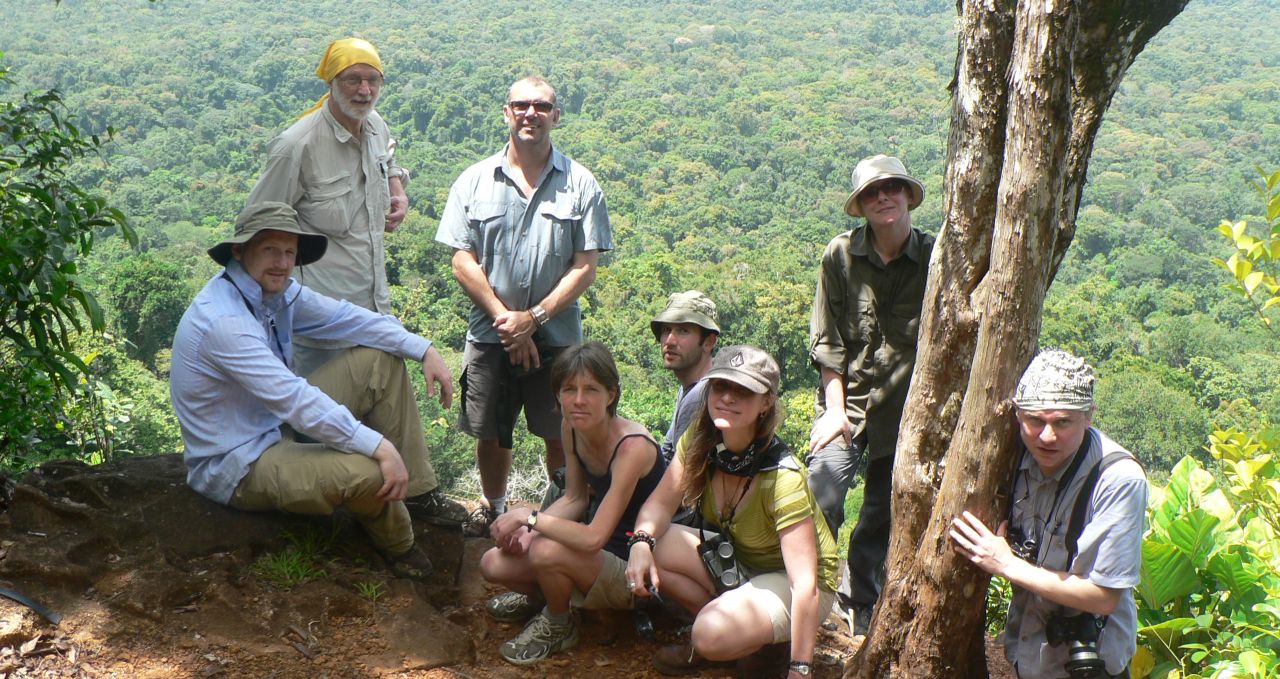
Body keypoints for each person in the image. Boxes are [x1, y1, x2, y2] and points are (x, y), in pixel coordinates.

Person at [171, 202, 453, 579]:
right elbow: (295, 399)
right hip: (241, 461)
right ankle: (401, 547)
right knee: (370, 471)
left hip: (276, 424)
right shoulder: (225, 321)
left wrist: (422, 347)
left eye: (290, 252)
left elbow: (346, 318)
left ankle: (415, 492)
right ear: (239, 251)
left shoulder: (274, 295)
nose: (282, 262)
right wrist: (381, 447)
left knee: (381, 361)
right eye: (270, 249)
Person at [434, 75, 613, 535]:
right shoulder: (474, 180)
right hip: (490, 333)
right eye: (520, 105)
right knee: (492, 429)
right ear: (506, 112)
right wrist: (507, 322)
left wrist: (533, 320)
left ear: (556, 116)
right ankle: (494, 507)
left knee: (561, 431)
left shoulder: (581, 183)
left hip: (556, 339)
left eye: (541, 106)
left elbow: (584, 266)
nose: (530, 113)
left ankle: (560, 517)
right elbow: (461, 260)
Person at [625, 346, 839, 679]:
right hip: (743, 562)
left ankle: (762, 647)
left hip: (797, 582)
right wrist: (640, 542)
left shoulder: (781, 476)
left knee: (709, 631)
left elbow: (805, 582)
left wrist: (801, 667)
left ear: (766, 401)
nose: (727, 398)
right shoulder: (700, 442)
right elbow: (659, 505)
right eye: (721, 386)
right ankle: (736, 644)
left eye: (743, 390)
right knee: (656, 540)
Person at [950, 350, 1148, 679]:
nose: (1046, 436)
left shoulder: (1118, 479)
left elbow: (1104, 597)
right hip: (1027, 654)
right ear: (1018, 416)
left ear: (1088, 417)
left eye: (1062, 422)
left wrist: (1007, 564)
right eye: (1035, 421)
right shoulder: (1011, 455)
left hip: (1090, 665)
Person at [805, 153, 934, 636]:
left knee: (882, 512)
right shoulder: (840, 256)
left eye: (893, 188)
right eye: (872, 192)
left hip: (905, 414)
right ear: (860, 205)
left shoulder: (935, 258)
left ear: (907, 197)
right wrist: (834, 411)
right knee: (823, 485)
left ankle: (862, 603)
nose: (884, 197)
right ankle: (809, 593)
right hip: (846, 403)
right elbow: (829, 341)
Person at [477, 342, 666, 665]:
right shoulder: (572, 427)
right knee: (493, 563)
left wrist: (529, 519)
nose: (578, 400)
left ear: (611, 395)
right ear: (557, 395)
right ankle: (552, 597)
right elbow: (575, 498)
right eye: (569, 389)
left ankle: (559, 622)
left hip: (636, 568)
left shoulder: (632, 447)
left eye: (591, 389)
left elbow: (594, 537)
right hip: (594, 556)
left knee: (545, 550)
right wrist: (525, 534)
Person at [245, 37, 410, 378]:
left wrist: (396, 187)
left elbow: (387, 158)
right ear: (331, 83)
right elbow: (256, 227)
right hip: (322, 332)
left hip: (376, 314)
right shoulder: (297, 146)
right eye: (353, 79)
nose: (364, 90)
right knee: (323, 428)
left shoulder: (375, 125)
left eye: (373, 79)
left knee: (375, 426)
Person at [650, 290, 720, 463]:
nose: (670, 341)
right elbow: (667, 452)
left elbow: (683, 476)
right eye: (666, 330)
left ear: (709, 342)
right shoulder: (689, 387)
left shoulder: (702, 396)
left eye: (683, 331)